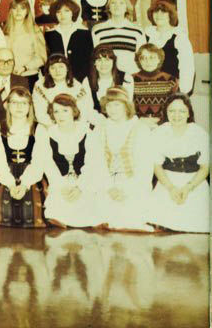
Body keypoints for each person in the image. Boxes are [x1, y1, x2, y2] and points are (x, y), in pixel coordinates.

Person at [84, 87, 154, 232]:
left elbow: (145, 167)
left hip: (133, 185)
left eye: (117, 104)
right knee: (100, 217)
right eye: (109, 105)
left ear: (126, 105)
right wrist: (109, 187)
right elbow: (95, 163)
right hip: (106, 184)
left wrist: (125, 189)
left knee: (129, 218)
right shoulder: (99, 129)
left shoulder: (140, 129)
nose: (112, 109)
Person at [34, 94, 98, 227]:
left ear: (73, 111)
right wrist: (61, 186)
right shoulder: (48, 134)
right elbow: (48, 165)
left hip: (84, 184)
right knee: (58, 212)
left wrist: (80, 187)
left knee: (88, 213)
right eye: (56, 111)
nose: (60, 115)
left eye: (65, 110)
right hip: (59, 185)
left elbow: (92, 163)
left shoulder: (87, 132)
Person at [149, 94, 209, 233]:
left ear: (189, 113)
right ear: (166, 112)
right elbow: (157, 166)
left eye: (181, 111)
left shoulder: (199, 133)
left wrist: (188, 188)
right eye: (172, 111)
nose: (176, 115)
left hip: (194, 182)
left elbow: (205, 167)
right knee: (160, 223)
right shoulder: (159, 132)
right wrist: (171, 188)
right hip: (167, 181)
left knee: (197, 224)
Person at [0, 87, 46, 228]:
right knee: (5, 210)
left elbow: (39, 162)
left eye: (24, 103)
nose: (19, 107)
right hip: (6, 173)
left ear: (30, 106)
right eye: (14, 102)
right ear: (7, 105)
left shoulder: (39, 129)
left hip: (31, 174)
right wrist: (10, 184)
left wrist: (25, 184)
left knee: (31, 211)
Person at [144, 0, 194, 94]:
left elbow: (187, 67)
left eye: (163, 12)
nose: (159, 15)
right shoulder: (146, 35)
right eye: (156, 11)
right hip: (148, 87)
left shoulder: (179, 37)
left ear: (170, 14)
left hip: (172, 89)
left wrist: (182, 92)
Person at [91, 0, 146, 74]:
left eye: (121, 3)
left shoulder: (138, 30)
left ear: (126, 8)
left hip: (130, 74)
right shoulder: (97, 30)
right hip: (107, 75)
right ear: (109, 8)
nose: (117, 6)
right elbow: (96, 57)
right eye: (113, 3)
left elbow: (142, 57)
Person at [32, 54, 92, 127]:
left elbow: (84, 111)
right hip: (48, 126)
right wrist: (56, 127)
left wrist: (72, 126)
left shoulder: (76, 85)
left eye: (61, 67)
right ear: (48, 71)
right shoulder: (40, 85)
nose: (57, 71)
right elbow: (40, 113)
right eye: (53, 68)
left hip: (73, 125)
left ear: (67, 68)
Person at [44, 0, 93, 82]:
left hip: (80, 78)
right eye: (58, 12)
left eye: (66, 11)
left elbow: (89, 59)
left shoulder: (85, 33)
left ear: (72, 13)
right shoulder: (49, 34)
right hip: (56, 79)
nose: (62, 15)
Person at [2, 0, 46, 88]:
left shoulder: (35, 31)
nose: (18, 11)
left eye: (22, 8)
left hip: (29, 77)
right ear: (10, 11)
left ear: (27, 11)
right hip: (7, 77)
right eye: (15, 8)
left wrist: (25, 68)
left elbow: (42, 58)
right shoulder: (3, 31)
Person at [132, 43, 178, 129]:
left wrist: (160, 123)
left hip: (165, 126)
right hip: (137, 126)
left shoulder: (171, 80)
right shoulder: (131, 80)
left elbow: (175, 107)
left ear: (159, 59)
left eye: (152, 57)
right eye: (143, 58)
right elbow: (126, 106)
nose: (148, 61)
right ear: (139, 60)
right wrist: (139, 121)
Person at [86, 47, 134, 117]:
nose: (103, 64)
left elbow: (127, 106)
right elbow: (88, 110)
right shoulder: (87, 81)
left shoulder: (126, 78)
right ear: (94, 63)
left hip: (122, 120)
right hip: (97, 121)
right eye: (99, 60)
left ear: (113, 61)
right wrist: (103, 122)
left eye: (107, 60)